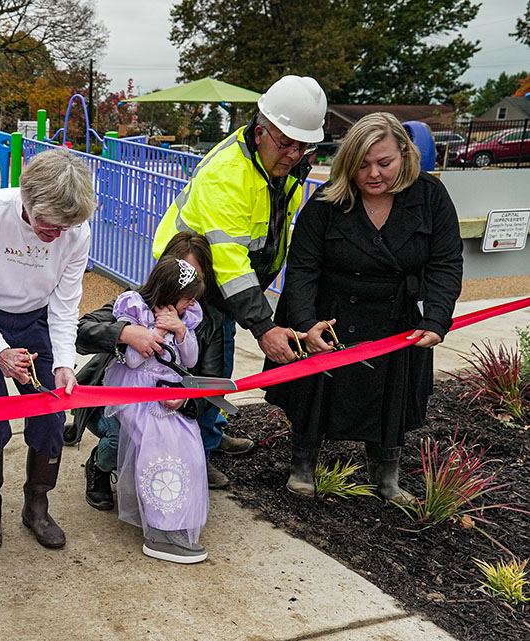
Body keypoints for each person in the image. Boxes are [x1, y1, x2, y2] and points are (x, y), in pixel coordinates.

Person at [264, 113, 463, 503]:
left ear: (404, 154)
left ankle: (386, 474)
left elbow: (446, 262)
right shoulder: (327, 201)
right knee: (313, 396)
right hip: (331, 313)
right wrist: (306, 322)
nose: (373, 174)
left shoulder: (430, 196)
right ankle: (302, 465)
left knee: (391, 399)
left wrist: (437, 317)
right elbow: (302, 267)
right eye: (362, 164)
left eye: (384, 163)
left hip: (397, 317)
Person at [150, 75, 330, 488]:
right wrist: (264, 326)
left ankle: (209, 434)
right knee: (199, 370)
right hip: (191, 282)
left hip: (224, 285)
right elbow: (229, 262)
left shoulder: (280, 164)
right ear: (261, 130)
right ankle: (194, 452)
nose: (294, 154)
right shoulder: (228, 175)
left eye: (303, 146)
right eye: (286, 143)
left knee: (219, 364)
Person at [0, 147, 95, 550]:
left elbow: (65, 303)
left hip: (36, 323)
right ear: (28, 201)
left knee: (50, 418)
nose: (58, 235)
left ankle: (37, 504)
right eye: (50, 225)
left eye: (67, 227)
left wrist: (64, 362)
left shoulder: (76, 231)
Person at [74, 232, 224, 511]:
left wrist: (186, 399)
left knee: (169, 441)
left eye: (196, 276)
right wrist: (125, 333)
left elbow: (210, 378)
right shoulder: (136, 304)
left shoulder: (202, 318)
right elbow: (82, 331)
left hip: (166, 400)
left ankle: (162, 495)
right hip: (121, 397)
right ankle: (99, 465)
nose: (189, 285)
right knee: (123, 439)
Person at [103, 256, 209, 563]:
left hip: (168, 393)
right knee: (159, 449)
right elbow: (133, 360)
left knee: (189, 448)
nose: (192, 305)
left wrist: (181, 331)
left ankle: (176, 520)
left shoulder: (184, 316)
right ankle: (160, 531)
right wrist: (159, 331)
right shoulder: (135, 309)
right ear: (170, 293)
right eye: (188, 299)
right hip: (137, 393)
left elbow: (190, 360)